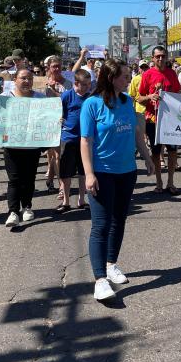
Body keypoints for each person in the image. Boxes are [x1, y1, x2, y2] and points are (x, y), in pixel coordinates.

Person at [80, 59, 154, 301]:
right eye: (125, 76)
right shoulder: (92, 104)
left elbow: (136, 133)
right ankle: (100, 280)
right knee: (100, 225)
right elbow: (86, 141)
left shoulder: (127, 101)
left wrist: (147, 158)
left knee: (118, 220)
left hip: (127, 171)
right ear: (111, 78)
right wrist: (89, 174)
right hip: (102, 172)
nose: (129, 79)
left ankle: (112, 264)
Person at [0, 69, 46, 228]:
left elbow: (46, 119)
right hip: (11, 146)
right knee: (14, 179)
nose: (27, 81)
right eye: (23, 78)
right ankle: (13, 212)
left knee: (29, 178)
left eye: (30, 78)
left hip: (32, 146)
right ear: (15, 79)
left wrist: (55, 121)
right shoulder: (5, 98)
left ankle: (27, 207)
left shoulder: (40, 98)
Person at [137, 46, 181, 195]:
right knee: (156, 152)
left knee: (173, 151)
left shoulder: (172, 74)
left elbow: (179, 93)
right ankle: (159, 182)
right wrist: (150, 97)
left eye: (163, 56)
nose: (160, 59)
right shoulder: (148, 75)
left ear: (166, 57)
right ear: (153, 58)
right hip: (153, 120)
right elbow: (139, 98)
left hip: (171, 120)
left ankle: (171, 182)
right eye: (158, 56)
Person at [57, 69, 92, 212]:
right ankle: (65, 201)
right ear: (76, 83)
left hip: (85, 139)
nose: (86, 87)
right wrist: (60, 120)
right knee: (66, 172)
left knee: (83, 171)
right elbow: (59, 113)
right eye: (84, 84)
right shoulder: (66, 96)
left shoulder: (90, 98)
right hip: (68, 138)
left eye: (88, 84)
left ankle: (82, 200)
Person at [43, 55, 73, 192]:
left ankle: (60, 184)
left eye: (59, 66)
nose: (57, 69)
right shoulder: (42, 83)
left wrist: (54, 91)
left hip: (63, 121)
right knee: (51, 155)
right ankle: (50, 178)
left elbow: (67, 101)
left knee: (57, 154)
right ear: (48, 68)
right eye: (54, 66)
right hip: (47, 122)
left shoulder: (68, 84)